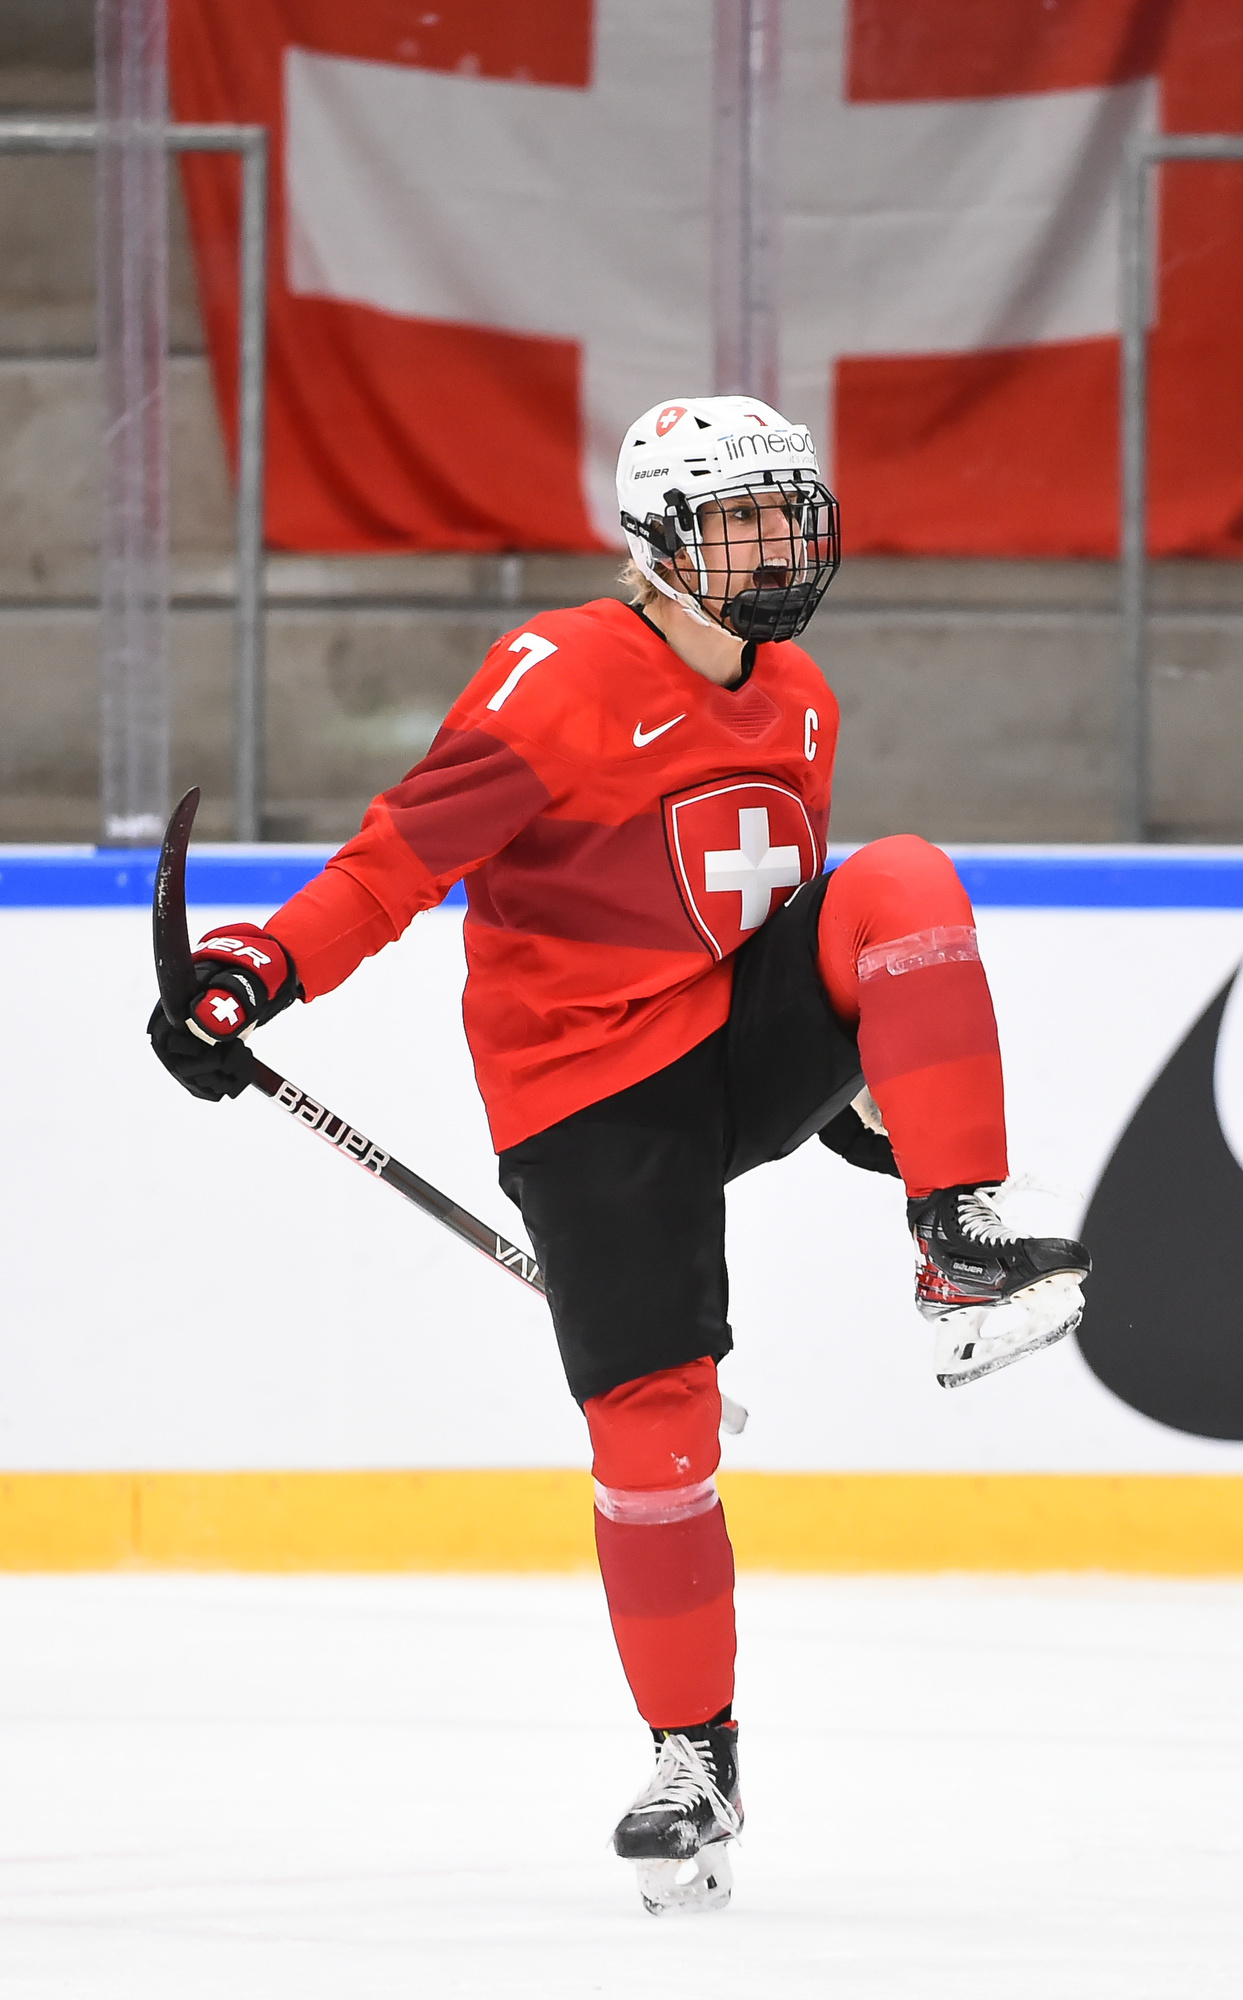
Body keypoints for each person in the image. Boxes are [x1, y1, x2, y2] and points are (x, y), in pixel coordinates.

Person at [150, 396, 1090, 1917]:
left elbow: (785, 926)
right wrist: (260, 968)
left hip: (723, 1051)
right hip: (586, 1095)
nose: (774, 547)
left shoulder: (802, 698)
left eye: (787, 515)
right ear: (655, 547)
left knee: (905, 878)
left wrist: (859, 1082)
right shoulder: (561, 678)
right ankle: (693, 1760)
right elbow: (400, 859)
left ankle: (955, 1240)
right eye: (738, 522)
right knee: (657, 1441)